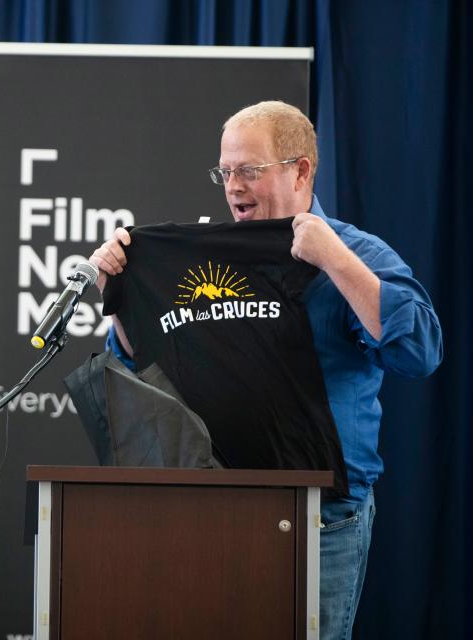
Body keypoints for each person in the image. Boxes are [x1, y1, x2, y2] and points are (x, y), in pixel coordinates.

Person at [89, 101, 442, 640]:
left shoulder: (355, 251)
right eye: (225, 171)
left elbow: (418, 350)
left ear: (300, 170)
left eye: (249, 170)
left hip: (319, 519)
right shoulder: (206, 256)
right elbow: (144, 368)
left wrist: (336, 260)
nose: (233, 186)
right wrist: (119, 299)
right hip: (215, 508)